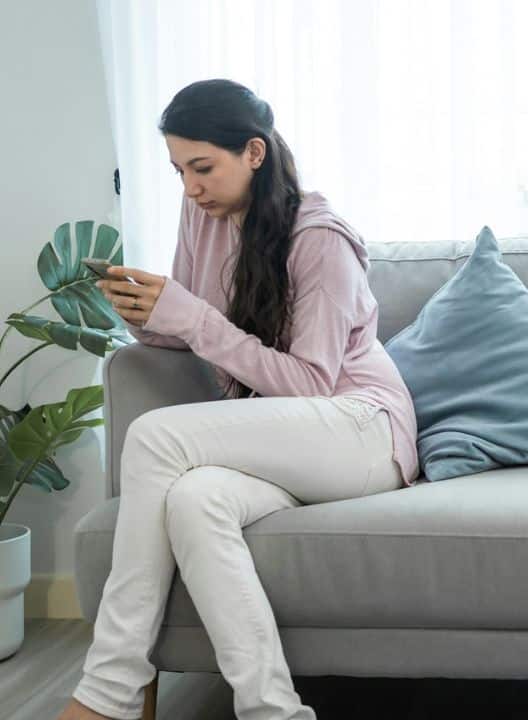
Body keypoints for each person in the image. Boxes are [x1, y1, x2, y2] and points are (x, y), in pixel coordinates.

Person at [59, 79, 419, 720]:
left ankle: (107, 693)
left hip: (361, 430)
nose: (190, 188)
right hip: (286, 443)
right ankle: (272, 711)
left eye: (203, 168)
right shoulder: (202, 216)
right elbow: (197, 329)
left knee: (157, 434)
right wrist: (150, 314)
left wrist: (190, 316)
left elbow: (310, 382)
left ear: (254, 152)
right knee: (195, 501)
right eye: (179, 171)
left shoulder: (321, 238)